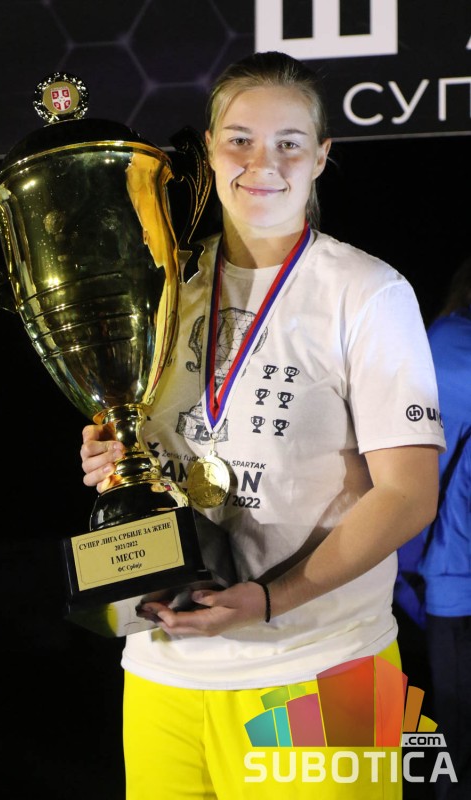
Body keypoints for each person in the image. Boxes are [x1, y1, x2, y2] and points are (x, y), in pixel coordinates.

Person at [80, 51, 445, 799]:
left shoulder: (368, 293)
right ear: (210, 151)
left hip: (322, 667)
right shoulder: (164, 287)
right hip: (163, 671)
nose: (262, 163)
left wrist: (271, 599)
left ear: (321, 156)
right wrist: (112, 454)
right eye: (240, 139)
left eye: (288, 142)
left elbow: (408, 495)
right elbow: (152, 442)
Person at [416, 257, 471, 799]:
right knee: (458, 737)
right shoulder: (451, 344)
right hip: (456, 581)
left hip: (451, 582)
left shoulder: (442, 342)